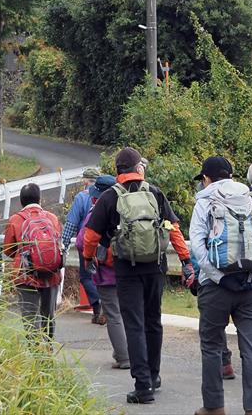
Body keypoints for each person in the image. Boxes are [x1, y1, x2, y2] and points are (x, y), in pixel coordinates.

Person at [82, 146, 194, 405]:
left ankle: (143, 386)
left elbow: (90, 236)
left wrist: (88, 258)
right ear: (138, 168)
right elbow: (174, 229)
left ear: (117, 170)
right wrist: (186, 260)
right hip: (156, 266)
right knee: (153, 321)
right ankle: (154, 376)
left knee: (133, 324)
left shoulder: (110, 196)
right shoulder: (154, 192)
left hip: (126, 269)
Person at [189, 156, 252, 415]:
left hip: (215, 287)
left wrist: (220, 278)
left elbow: (198, 247)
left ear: (206, 178)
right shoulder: (249, 201)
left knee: (212, 345)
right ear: (231, 176)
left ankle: (214, 407)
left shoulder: (204, 202)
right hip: (250, 285)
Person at [76, 174, 129, 369]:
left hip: (107, 272)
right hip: (130, 269)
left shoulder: (97, 210)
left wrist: (89, 258)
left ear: (95, 195)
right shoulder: (128, 207)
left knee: (113, 315)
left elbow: (82, 241)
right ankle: (130, 351)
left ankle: (124, 357)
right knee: (127, 314)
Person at [3, 182, 64, 342]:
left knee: (30, 316)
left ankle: (35, 350)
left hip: (26, 275)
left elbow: (8, 250)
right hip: (51, 273)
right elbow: (58, 244)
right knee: (48, 315)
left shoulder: (16, 220)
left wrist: (26, 256)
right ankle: (48, 346)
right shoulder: (52, 218)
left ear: (21, 201)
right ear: (40, 199)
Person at [61, 167, 105, 324]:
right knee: (104, 276)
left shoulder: (82, 197)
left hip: (87, 243)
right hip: (106, 244)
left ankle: (98, 306)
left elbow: (71, 224)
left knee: (86, 277)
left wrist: (64, 244)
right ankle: (107, 307)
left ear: (86, 181)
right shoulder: (108, 197)